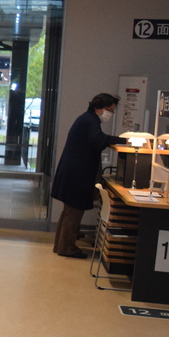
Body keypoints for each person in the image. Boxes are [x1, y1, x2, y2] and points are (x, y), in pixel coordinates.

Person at [50, 93, 127, 258]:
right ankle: (67, 248)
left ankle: (61, 246)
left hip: (72, 172)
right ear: (99, 108)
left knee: (69, 212)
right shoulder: (90, 120)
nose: (110, 114)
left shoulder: (87, 119)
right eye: (110, 110)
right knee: (74, 212)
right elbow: (98, 139)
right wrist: (124, 140)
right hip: (77, 175)